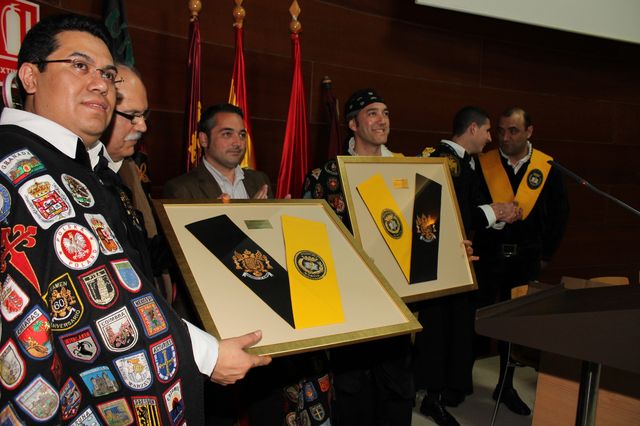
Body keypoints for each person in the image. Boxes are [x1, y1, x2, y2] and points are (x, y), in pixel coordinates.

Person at [0, 14, 269, 424]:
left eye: (107, 74)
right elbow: (101, 300)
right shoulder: (21, 166)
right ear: (30, 77)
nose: (100, 83)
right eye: (79, 65)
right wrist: (208, 354)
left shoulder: (72, 167)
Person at [304, 89, 414, 426]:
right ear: (352, 124)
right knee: (351, 387)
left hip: (396, 298)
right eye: (373, 113)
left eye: (386, 113)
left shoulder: (407, 171)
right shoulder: (325, 177)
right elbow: (310, 240)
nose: (383, 120)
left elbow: (425, 231)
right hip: (348, 300)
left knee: (396, 384)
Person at [415, 106, 521, 426]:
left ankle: (448, 389)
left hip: (459, 261)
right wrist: (494, 212)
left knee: (456, 328)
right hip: (439, 265)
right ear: (472, 129)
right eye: (488, 131)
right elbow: (451, 213)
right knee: (438, 332)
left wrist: (498, 214)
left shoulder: (467, 162)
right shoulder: (442, 160)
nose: (490, 138)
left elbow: (472, 209)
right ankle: (432, 397)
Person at [474, 106, 569, 415]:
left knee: (514, 326)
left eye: (513, 131)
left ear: (529, 131)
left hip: (525, 259)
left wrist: (545, 255)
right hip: (487, 258)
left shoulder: (548, 167)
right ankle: (459, 380)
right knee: (475, 317)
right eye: (500, 131)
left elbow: (559, 215)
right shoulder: (484, 163)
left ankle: (506, 384)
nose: (504, 137)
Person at [163, 103, 271, 199]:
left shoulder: (260, 180)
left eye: (242, 135)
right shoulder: (181, 189)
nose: (238, 143)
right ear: (204, 140)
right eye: (227, 134)